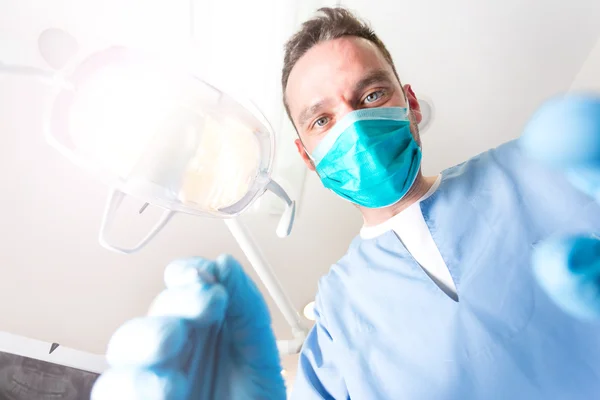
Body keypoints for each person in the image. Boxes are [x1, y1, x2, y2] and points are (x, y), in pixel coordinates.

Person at [91, 7, 600, 400]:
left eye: (371, 96)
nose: (353, 127)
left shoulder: (547, 167)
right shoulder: (337, 322)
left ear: (411, 103)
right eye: (321, 120)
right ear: (308, 159)